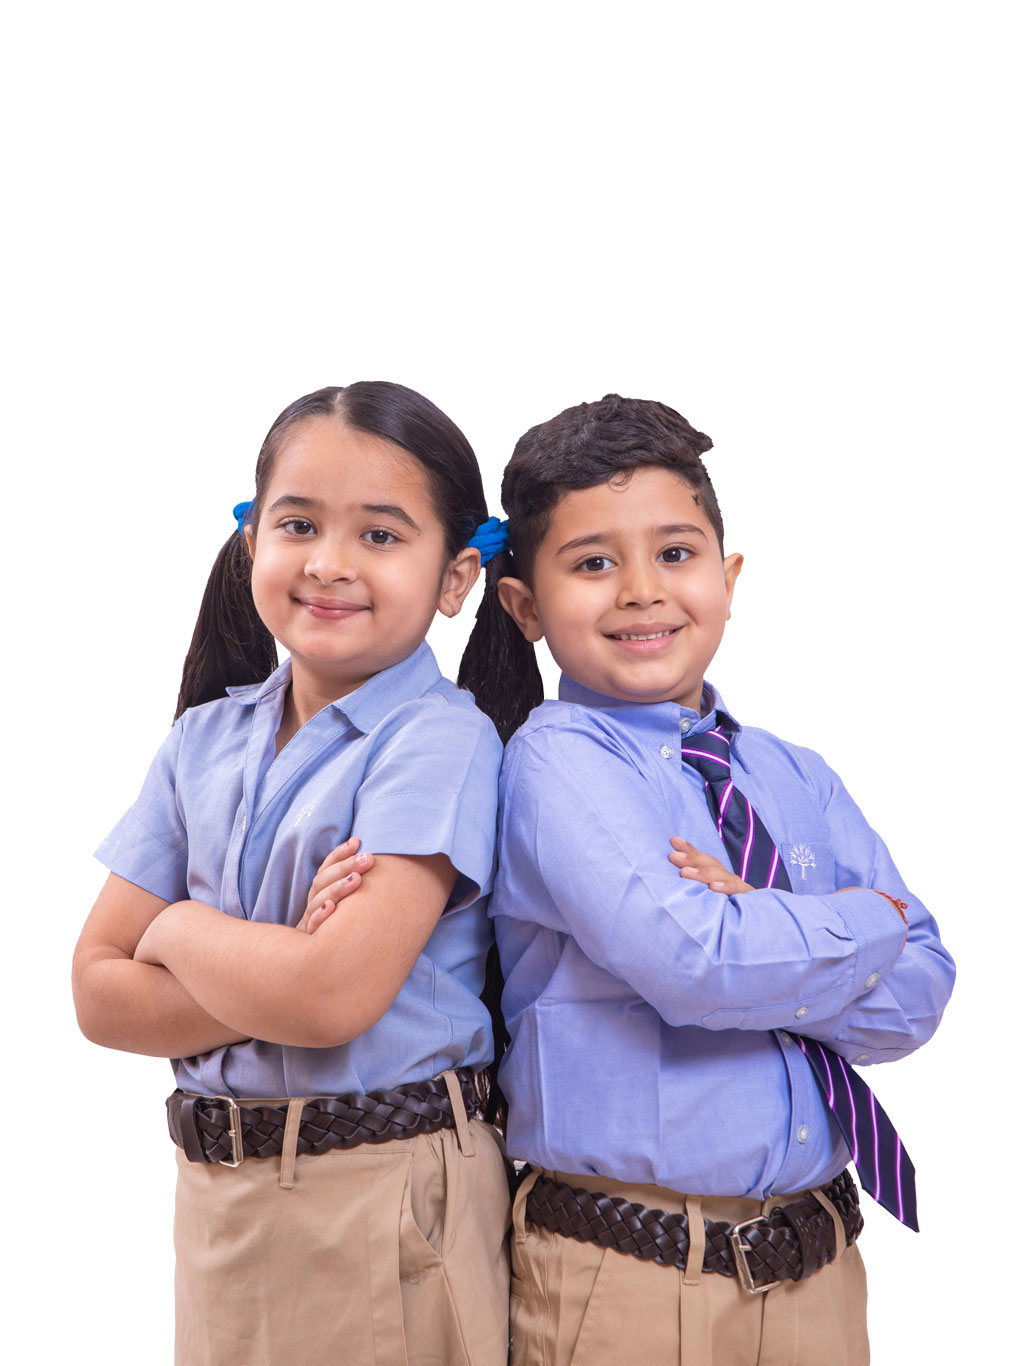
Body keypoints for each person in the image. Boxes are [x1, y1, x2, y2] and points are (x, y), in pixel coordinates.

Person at [459, 394, 955, 1366]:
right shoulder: (557, 763)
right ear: (525, 606)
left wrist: (764, 927)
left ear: (728, 578)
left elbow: (921, 993)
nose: (642, 591)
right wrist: (862, 920)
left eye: (676, 553)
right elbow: (697, 965)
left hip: (817, 1268)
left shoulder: (795, 773)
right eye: (593, 563)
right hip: (635, 1280)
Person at [73, 382, 512, 1366]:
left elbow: (330, 998)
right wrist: (276, 962)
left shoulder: (439, 741)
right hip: (220, 1207)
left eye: (380, 535)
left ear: (455, 576)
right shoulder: (200, 742)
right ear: (251, 540)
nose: (328, 563)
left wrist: (176, 931)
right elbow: (97, 994)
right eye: (299, 524)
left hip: (384, 1197)